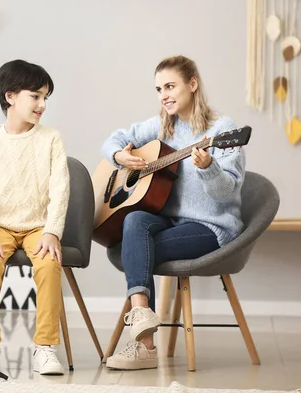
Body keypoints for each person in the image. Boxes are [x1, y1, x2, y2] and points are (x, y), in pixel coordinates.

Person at [101, 55, 246, 370]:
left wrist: (209, 168)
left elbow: (227, 193)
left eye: (170, 86)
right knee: (135, 219)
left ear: (192, 84)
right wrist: (119, 157)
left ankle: (144, 348)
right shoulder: (161, 125)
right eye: (158, 89)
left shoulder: (223, 130)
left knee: (136, 248)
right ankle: (142, 313)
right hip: (171, 221)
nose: (163, 95)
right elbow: (113, 140)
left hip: (212, 227)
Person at [0, 59, 70, 375]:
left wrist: (52, 231)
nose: (42, 105)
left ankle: (45, 348)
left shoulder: (51, 138)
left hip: (39, 225)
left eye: (45, 98)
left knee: (50, 265)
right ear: (10, 97)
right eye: (35, 96)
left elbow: (60, 189)